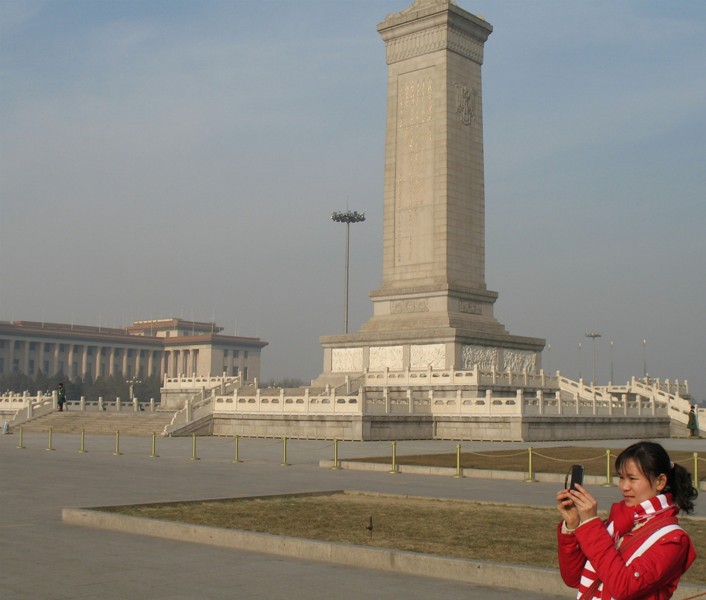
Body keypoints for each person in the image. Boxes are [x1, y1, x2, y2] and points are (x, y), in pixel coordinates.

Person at [556, 441, 697, 599]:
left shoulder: (673, 540)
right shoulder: (617, 524)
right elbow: (573, 578)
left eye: (632, 479)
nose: (624, 486)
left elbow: (623, 587)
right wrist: (572, 525)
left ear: (660, 482)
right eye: (621, 478)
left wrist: (590, 524)